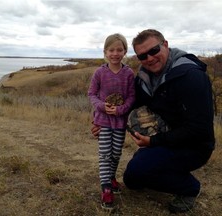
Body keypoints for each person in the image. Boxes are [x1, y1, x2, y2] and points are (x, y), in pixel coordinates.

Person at [91, 29, 215, 213]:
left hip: (193, 146)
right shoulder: (144, 77)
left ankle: (190, 188)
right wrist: (100, 121)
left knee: (143, 170)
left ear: (165, 45)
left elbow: (199, 129)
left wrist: (154, 141)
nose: (149, 58)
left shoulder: (191, 76)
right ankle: (154, 165)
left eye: (154, 50)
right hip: (165, 139)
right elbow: (129, 105)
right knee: (133, 180)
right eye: (142, 56)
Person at [88, 33, 135, 210]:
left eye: (119, 50)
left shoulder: (128, 73)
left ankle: (112, 178)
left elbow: (131, 97)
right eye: (111, 50)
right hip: (103, 121)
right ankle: (106, 188)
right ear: (105, 52)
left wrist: (121, 110)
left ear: (124, 52)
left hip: (120, 122)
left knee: (116, 154)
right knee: (105, 155)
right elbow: (91, 94)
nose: (115, 53)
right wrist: (101, 106)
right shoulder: (100, 72)